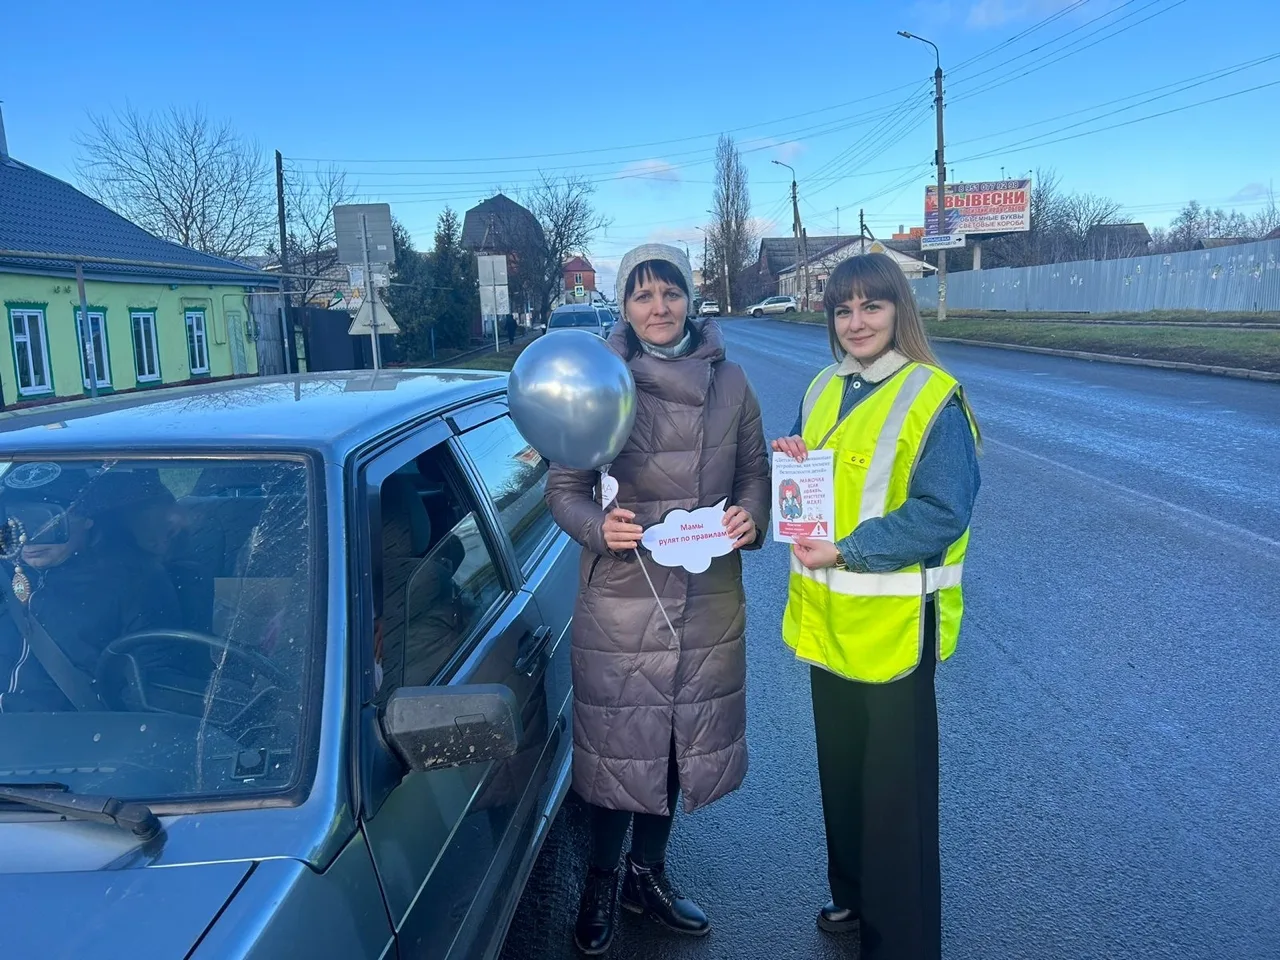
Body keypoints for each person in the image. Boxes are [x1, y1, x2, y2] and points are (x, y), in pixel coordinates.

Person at [545, 243, 770, 955]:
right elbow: (564, 490)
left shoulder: (732, 382)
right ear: (624, 306)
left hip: (706, 594)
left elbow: (755, 472)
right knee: (621, 751)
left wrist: (752, 516)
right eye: (642, 295)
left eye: (670, 292)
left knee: (676, 749)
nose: (659, 307)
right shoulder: (599, 381)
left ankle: (648, 875)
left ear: (690, 300)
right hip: (623, 597)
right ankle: (600, 883)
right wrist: (597, 527)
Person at [771, 253, 981, 960]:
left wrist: (848, 551)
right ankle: (855, 897)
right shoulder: (824, 385)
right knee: (843, 776)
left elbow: (941, 513)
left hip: (893, 631)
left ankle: (902, 942)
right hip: (830, 627)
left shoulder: (933, 396)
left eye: (872, 306)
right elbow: (817, 478)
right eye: (842, 309)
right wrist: (794, 458)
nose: (856, 323)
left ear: (899, 311)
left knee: (896, 802)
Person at [0, 465, 183, 713]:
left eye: (46, 521)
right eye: (14, 522)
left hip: (69, 731)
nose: (28, 538)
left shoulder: (133, 580)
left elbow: (152, 681)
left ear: (86, 517)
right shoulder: (4, 571)